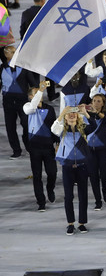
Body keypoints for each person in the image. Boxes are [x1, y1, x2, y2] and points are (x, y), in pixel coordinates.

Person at [51, 105, 96, 235]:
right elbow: (54, 129)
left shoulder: (82, 129)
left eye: (74, 114)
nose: (71, 115)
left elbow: (93, 126)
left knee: (83, 196)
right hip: (67, 167)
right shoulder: (62, 130)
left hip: (82, 166)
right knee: (68, 196)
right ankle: (70, 223)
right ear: (65, 117)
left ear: (77, 116)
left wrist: (85, 113)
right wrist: (61, 114)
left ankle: (82, 223)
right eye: (69, 114)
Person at [23, 81, 58, 211]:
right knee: (37, 176)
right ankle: (41, 202)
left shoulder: (50, 109)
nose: (40, 94)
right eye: (36, 93)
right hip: (35, 148)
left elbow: (54, 127)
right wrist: (41, 90)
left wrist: (58, 142)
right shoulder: (27, 107)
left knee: (52, 173)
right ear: (31, 97)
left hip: (48, 146)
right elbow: (31, 108)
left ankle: (50, 189)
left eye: (41, 92)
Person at [1, 45, 38, 159]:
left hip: (22, 102)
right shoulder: (2, 68)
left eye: (12, 52)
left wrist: (34, 95)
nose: (9, 53)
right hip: (8, 101)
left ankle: (28, 146)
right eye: (8, 52)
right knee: (10, 127)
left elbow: (33, 83)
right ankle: (16, 150)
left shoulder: (24, 68)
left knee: (27, 125)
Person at [86, 93, 106, 210]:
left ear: (103, 104)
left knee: (105, 174)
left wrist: (96, 112)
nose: (96, 103)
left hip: (103, 149)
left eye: (99, 101)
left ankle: (105, 190)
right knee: (93, 175)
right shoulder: (87, 115)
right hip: (90, 149)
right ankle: (98, 200)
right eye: (94, 100)